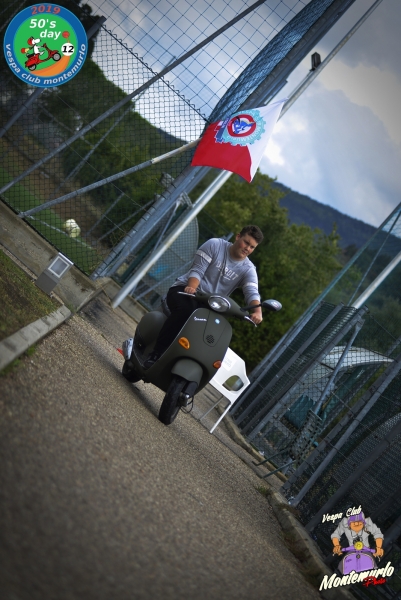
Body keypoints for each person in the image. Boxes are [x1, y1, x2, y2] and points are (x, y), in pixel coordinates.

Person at [144, 224, 264, 369]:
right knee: (187, 311)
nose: (247, 249)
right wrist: (192, 287)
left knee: (213, 332)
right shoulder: (215, 245)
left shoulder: (248, 269)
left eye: (252, 247)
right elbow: (198, 269)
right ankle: (156, 354)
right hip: (186, 291)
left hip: (210, 305)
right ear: (238, 237)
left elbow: (252, 291)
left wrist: (257, 311)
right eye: (246, 242)